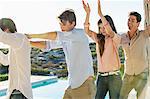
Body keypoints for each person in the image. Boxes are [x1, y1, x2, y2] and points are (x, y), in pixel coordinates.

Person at [26, 9, 96, 99]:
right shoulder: (65, 38)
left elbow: (55, 35)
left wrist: (31, 36)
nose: (61, 26)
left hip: (84, 85)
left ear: (73, 23)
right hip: (72, 85)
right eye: (60, 24)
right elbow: (47, 44)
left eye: (63, 24)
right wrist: (28, 42)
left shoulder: (79, 34)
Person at [82, 0, 122, 99]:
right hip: (101, 77)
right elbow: (86, 30)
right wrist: (88, 13)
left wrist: (100, 14)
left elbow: (110, 31)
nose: (102, 30)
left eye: (104, 27)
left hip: (114, 77)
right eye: (100, 28)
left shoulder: (116, 38)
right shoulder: (98, 39)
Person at [118, 11, 150, 99]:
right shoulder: (123, 37)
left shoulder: (144, 34)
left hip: (142, 74)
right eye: (128, 20)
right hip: (128, 74)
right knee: (121, 97)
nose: (129, 22)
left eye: (132, 20)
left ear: (138, 24)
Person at [0, 18, 33, 99]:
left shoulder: (20, 38)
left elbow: (2, 36)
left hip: (20, 92)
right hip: (15, 92)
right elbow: (5, 61)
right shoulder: (15, 44)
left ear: (6, 29)